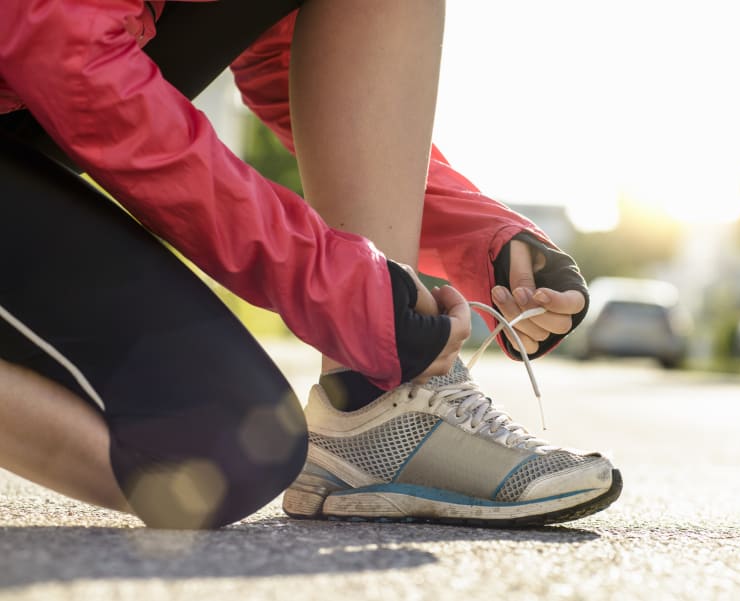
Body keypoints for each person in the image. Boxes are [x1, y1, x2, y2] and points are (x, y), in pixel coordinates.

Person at [0, 0, 621, 529]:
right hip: (52, 64)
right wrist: (345, 291)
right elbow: (65, 47)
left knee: (212, 453)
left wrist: (488, 239)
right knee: (200, 467)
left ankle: (374, 417)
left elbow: (292, 66)